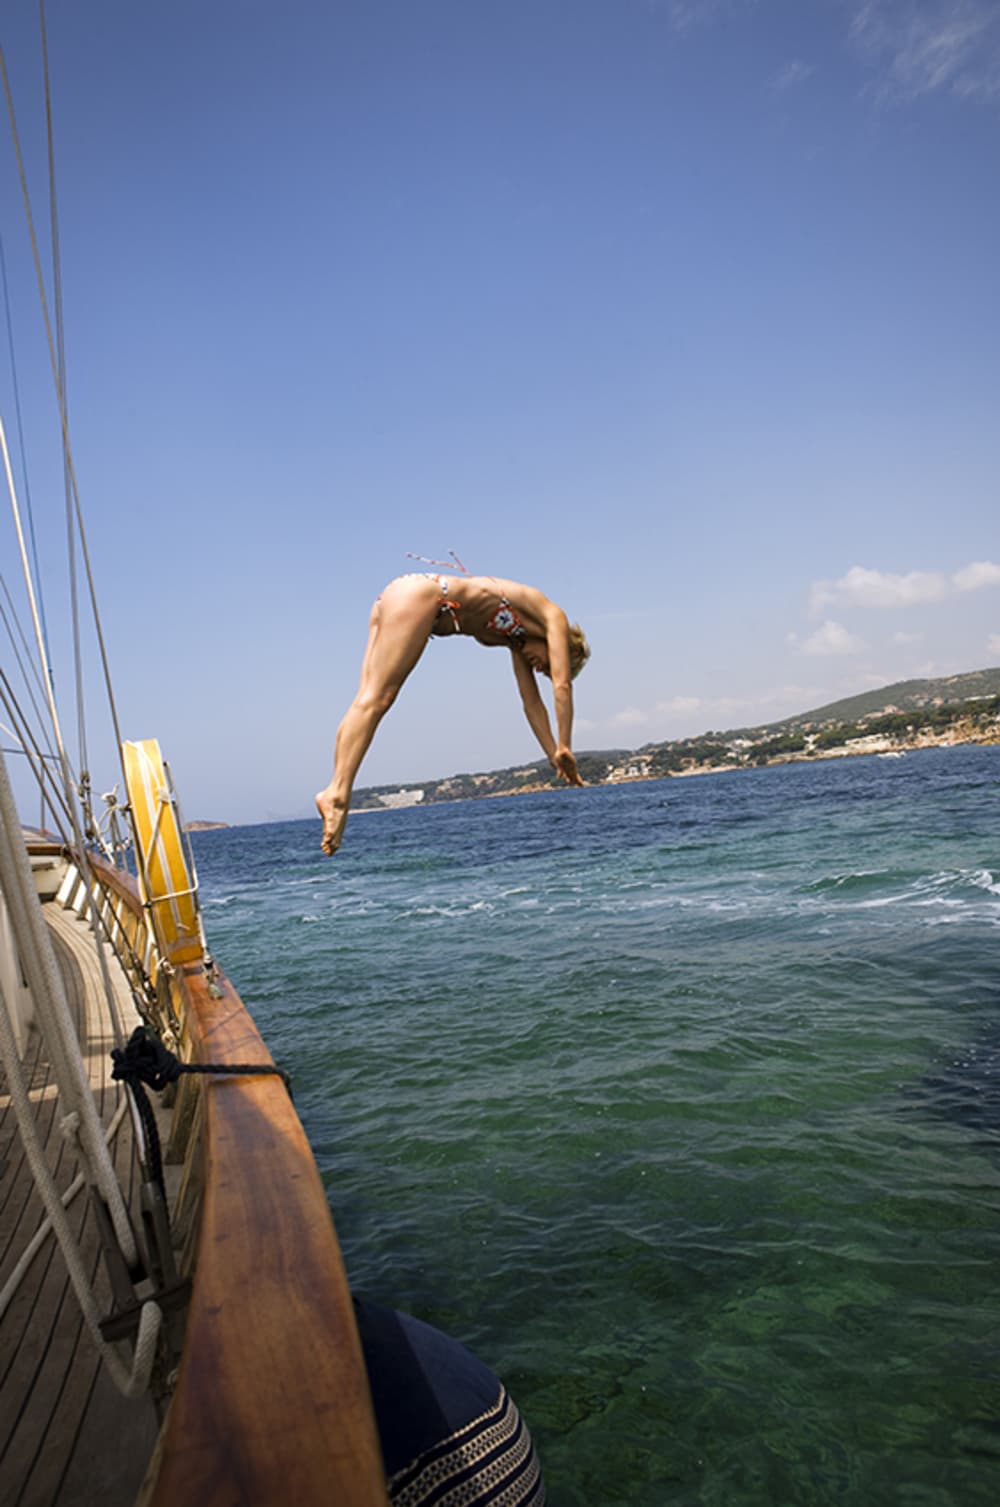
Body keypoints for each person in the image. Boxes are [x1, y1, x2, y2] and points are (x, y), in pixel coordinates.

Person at [315, 563, 590, 854]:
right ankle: (337, 793)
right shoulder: (552, 616)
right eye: (546, 665)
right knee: (378, 699)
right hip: (423, 596)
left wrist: (554, 757)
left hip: (398, 598)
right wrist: (565, 744)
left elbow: (531, 702)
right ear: (563, 648)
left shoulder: (515, 637)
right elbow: (562, 686)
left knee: (367, 699)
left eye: (544, 671)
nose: (540, 669)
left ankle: (335, 789)